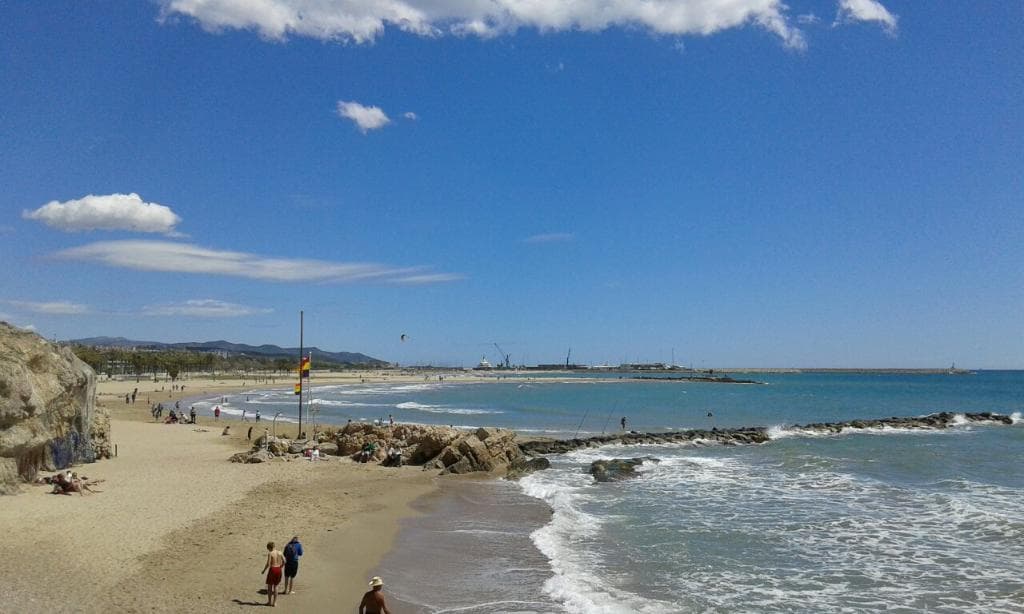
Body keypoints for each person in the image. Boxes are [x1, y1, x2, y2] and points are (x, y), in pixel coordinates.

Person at [261, 541, 285, 607]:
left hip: (273, 569)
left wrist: (263, 570)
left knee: (269, 586)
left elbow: (268, 564)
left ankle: (269, 602)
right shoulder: (280, 552)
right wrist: (281, 567)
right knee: (276, 586)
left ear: (269, 548)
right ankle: (274, 603)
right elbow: (285, 561)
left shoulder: (270, 553)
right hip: (278, 569)